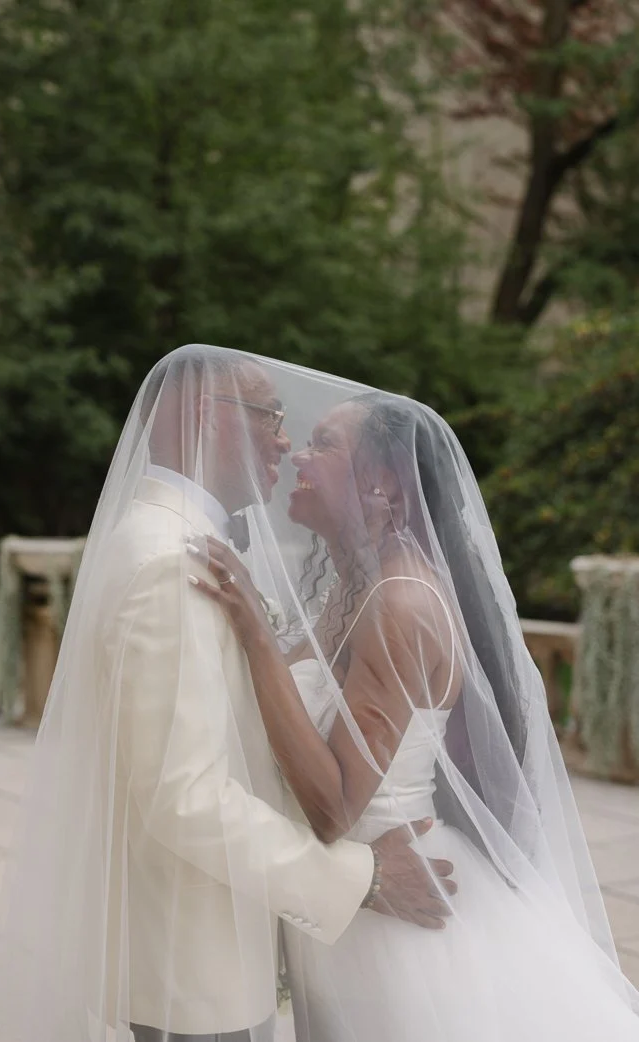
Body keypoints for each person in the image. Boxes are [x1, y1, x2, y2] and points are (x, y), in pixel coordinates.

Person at [0, 346, 457, 1042]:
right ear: (209, 415)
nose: (286, 439)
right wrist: (362, 878)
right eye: (271, 417)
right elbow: (185, 795)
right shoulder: (173, 562)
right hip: (192, 954)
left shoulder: (174, 544)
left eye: (311, 436)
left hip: (229, 929)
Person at [188, 387, 639, 1040]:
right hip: (353, 899)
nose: (298, 456)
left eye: (324, 445)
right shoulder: (358, 586)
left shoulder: (399, 604)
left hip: (399, 914)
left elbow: (336, 804)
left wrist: (257, 634)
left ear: (385, 487)